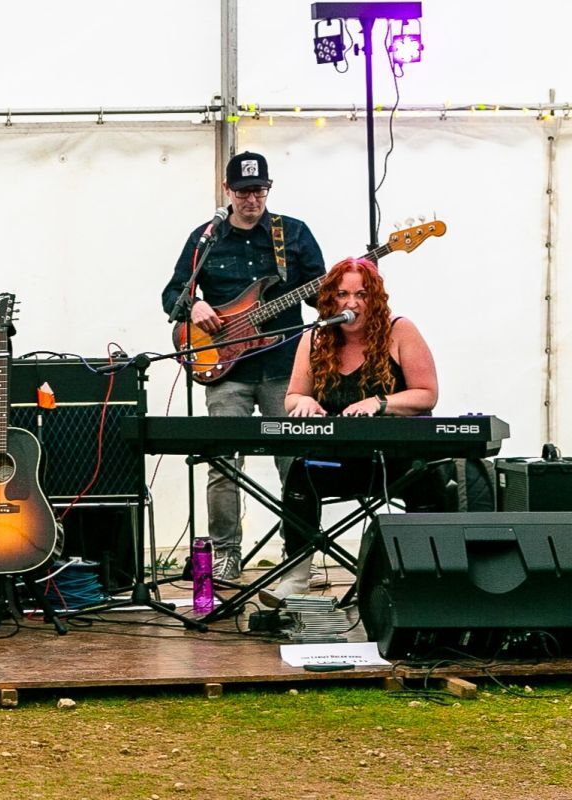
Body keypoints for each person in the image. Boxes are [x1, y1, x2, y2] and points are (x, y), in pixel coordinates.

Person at [162, 152, 327, 581]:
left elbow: (319, 297)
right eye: (243, 191)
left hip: (285, 369)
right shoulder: (206, 238)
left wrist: (348, 283)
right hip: (226, 368)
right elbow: (172, 294)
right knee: (223, 464)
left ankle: (300, 553)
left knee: (295, 465)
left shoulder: (292, 233)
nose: (252, 199)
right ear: (227, 191)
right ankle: (225, 554)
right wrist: (194, 305)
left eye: (259, 190)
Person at [259, 257, 440, 606]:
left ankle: (426, 575)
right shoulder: (315, 338)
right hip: (340, 462)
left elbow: (427, 394)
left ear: (375, 299)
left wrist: (381, 403)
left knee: (429, 475)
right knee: (300, 472)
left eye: (361, 294)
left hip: (396, 462)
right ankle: (295, 577)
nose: (352, 303)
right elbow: (294, 396)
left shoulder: (400, 330)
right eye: (342, 294)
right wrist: (303, 404)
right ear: (330, 300)